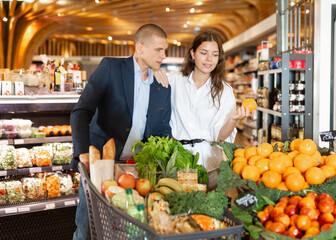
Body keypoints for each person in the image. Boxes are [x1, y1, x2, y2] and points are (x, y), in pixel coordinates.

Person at [70, 23, 172, 240]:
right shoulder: (111, 68)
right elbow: (81, 111)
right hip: (101, 163)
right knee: (88, 226)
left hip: (137, 170)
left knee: (128, 230)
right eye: (159, 49)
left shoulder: (162, 85)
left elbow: (163, 129)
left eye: (165, 50)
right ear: (140, 48)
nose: (164, 55)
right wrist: (82, 153)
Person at [154, 32, 250, 170]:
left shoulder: (224, 91)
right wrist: (154, 73)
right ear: (193, 54)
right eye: (204, 53)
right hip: (175, 158)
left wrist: (233, 119)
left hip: (209, 161)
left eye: (215, 55)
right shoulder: (175, 81)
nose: (209, 59)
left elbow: (220, 137)